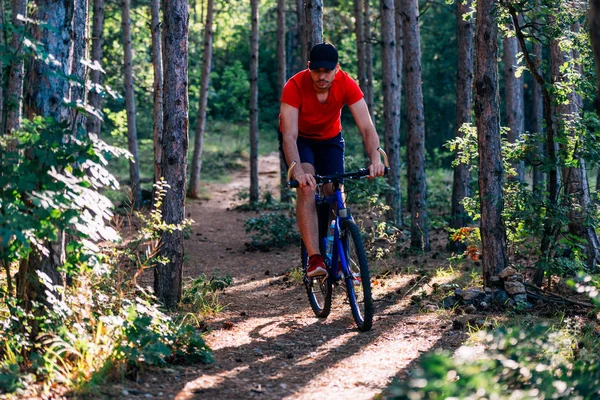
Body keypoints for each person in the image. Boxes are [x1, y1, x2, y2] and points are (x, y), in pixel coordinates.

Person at [279, 42, 386, 278]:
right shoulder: (294, 86)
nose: (321, 76)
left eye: (327, 71)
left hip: (330, 139)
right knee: (307, 188)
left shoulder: (347, 84)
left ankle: (339, 256)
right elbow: (289, 136)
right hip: (301, 142)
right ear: (309, 68)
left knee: (335, 192)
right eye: (316, 70)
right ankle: (315, 258)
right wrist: (297, 171)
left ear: (337, 68)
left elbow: (367, 127)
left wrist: (375, 157)